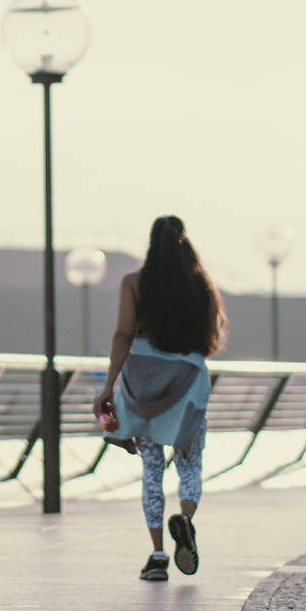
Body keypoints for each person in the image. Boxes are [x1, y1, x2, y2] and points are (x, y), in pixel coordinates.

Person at [91, 215, 226, 582]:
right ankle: (184, 519)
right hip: (187, 383)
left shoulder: (134, 283)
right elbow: (211, 337)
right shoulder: (201, 286)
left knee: (152, 470)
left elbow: (123, 334)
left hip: (143, 383)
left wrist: (108, 388)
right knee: (189, 465)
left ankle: (157, 556)